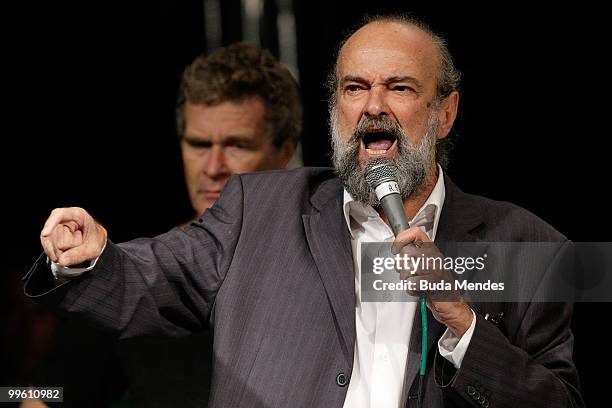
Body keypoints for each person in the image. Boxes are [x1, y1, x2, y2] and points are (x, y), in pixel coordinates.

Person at [25, 14, 583, 407]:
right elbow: (151, 278)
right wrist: (92, 255)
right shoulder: (256, 209)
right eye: (355, 87)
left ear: (445, 114)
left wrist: (461, 326)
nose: (373, 107)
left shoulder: (529, 247)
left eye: (401, 88)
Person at [21, 42, 302, 408]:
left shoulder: (328, 263)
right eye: (199, 145)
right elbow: (41, 395)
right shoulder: (137, 278)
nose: (213, 167)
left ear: (286, 151)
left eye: (237, 145)